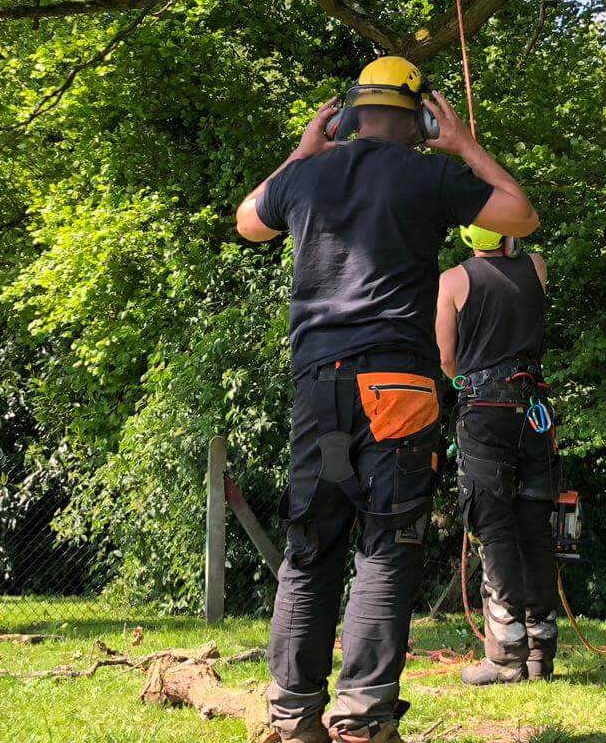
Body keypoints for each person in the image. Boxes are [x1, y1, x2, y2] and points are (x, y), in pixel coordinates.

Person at [235, 56, 538, 743]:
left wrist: (301, 150)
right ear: (419, 122)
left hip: (319, 387)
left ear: (345, 118)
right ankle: (364, 721)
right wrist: (463, 145)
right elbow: (522, 215)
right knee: (384, 547)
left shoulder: (305, 177)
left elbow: (248, 222)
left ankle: (291, 720)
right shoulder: (432, 173)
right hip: (396, 389)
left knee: (310, 547)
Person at [434, 223, 558, 685]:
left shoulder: (452, 281)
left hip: (484, 409)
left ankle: (506, 655)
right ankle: (540, 652)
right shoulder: (537, 267)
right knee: (535, 525)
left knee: (494, 525)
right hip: (533, 409)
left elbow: (447, 357)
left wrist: (466, 380)